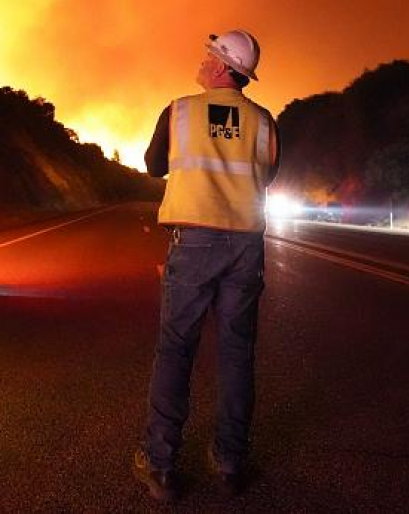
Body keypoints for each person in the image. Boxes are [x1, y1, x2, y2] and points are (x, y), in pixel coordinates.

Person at [133, 29, 280, 501]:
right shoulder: (264, 121)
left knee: (177, 349)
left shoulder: (178, 111)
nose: (202, 61)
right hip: (245, 247)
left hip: (195, 242)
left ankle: (159, 464)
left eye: (208, 56)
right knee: (237, 353)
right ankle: (232, 462)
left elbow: (154, 165)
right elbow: (267, 173)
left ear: (221, 67)